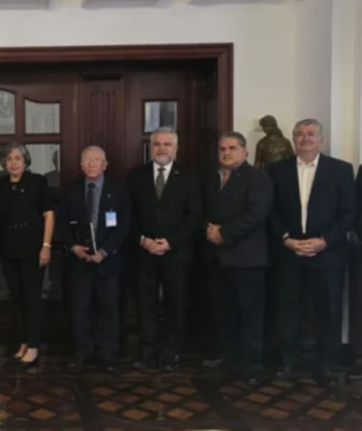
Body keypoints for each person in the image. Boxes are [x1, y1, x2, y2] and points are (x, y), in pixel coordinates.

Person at [268, 119, 356, 386]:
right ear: (293, 139)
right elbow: (270, 212)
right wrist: (286, 239)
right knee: (288, 310)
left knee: (328, 311)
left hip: (328, 254)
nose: (305, 138)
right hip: (289, 252)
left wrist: (324, 241)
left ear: (321, 140)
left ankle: (327, 364)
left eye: (311, 134)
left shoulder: (341, 170)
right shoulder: (277, 170)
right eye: (300, 134)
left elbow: (348, 213)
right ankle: (288, 360)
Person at [126, 127, 202, 371]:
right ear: (150, 147)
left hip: (176, 252)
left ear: (176, 148)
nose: (161, 148)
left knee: (175, 304)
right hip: (144, 252)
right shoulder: (135, 175)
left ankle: (170, 353)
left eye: (167, 144)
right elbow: (128, 214)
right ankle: (148, 352)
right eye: (157, 144)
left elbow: (194, 215)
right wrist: (142, 239)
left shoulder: (189, 176)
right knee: (145, 304)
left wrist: (171, 242)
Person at [202, 131, 272, 386]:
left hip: (247, 258)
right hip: (216, 257)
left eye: (232, 148)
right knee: (223, 312)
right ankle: (228, 357)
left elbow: (256, 214)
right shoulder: (212, 178)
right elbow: (202, 209)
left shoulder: (258, 178)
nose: (226, 153)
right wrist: (208, 229)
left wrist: (224, 234)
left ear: (245, 151)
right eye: (222, 149)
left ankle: (251, 365)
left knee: (250, 314)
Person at [57, 146, 130, 372]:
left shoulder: (118, 190)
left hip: (108, 260)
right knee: (80, 308)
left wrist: (104, 251)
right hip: (79, 260)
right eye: (87, 160)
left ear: (105, 165)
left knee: (108, 308)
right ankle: (83, 352)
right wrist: (73, 248)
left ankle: (107, 352)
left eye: (96, 160)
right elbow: (62, 223)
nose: (91, 164)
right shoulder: (71, 190)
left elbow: (124, 225)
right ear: (81, 165)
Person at [0, 142, 54, 369]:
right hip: (8, 249)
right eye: (9, 159)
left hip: (32, 249)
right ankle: (23, 343)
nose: (13, 163)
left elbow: (49, 215)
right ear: (4, 163)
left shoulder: (37, 182)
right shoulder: (0, 184)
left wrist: (46, 245)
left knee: (31, 298)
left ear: (25, 161)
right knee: (17, 298)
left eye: (18, 158)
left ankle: (34, 346)